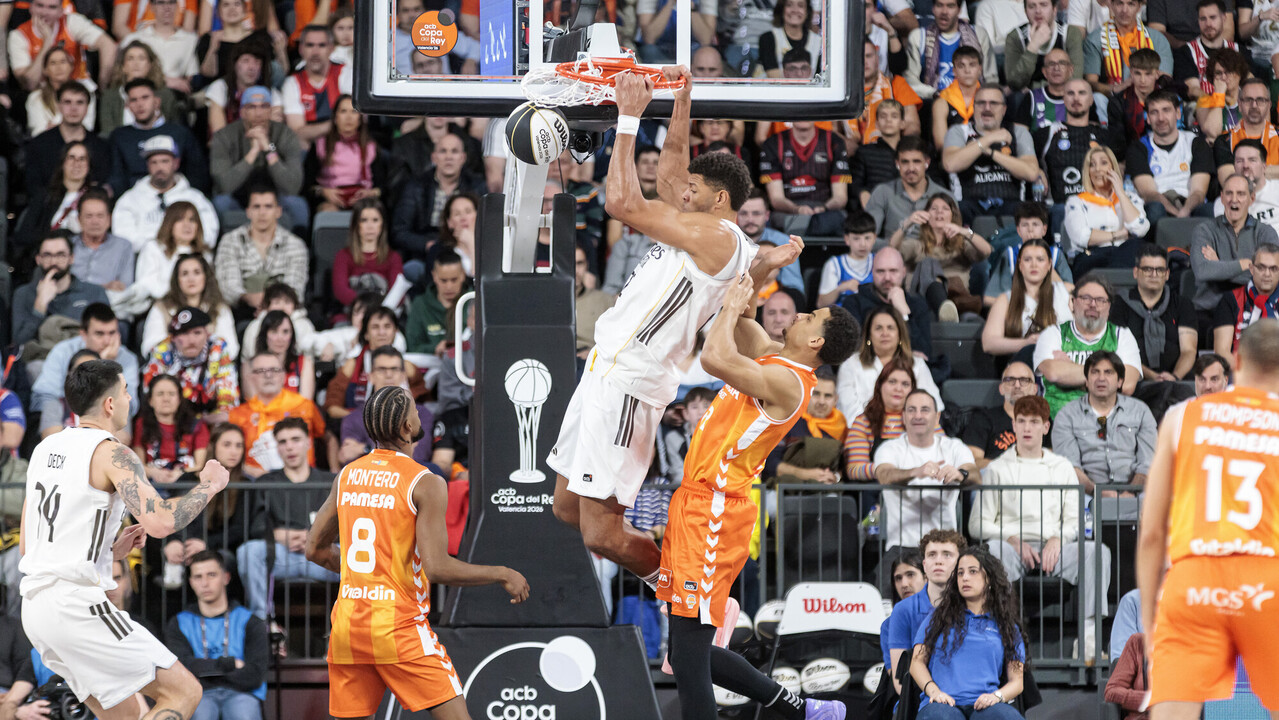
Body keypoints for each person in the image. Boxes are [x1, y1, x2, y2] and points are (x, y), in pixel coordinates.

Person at [549, 68, 797, 601]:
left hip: (632, 383)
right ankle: (685, 588)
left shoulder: (716, 236)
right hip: (606, 368)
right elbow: (673, 167)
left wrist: (629, 118)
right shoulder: (703, 222)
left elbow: (621, 204)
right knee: (565, 509)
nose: (680, 189)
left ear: (719, 200)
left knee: (601, 531)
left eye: (694, 189)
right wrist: (681, 102)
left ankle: (692, 595)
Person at [660, 273, 856, 720]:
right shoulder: (774, 357)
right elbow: (749, 324)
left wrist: (728, 303)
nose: (800, 313)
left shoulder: (791, 383)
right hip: (694, 500)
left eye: (811, 316)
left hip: (715, 509)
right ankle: (802, 710)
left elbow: (714, 356)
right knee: (685, 652)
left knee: (689, 661)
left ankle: (800, 710)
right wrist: (753, 273)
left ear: (816, 342)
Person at [20, 358, 230, 719]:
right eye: (127, 391)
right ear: (110, 403)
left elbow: (30, 543)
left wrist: (107, 549)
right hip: (76, 606)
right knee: (184, 693)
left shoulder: (44, 450)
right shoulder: (113, 452)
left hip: (36, 608)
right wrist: (209, 487)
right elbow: (162, 522)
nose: (132, 399)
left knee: (129, 715)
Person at [305, 384, 529, 719]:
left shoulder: (347, 475)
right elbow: (438, 568)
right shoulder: (425, 482)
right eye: (413, 407)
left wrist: (365, 573)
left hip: (348, 625)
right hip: (397, 625)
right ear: (408, 427)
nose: (418, 411)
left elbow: (313, 549)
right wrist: (502, 573)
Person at [1137, 319, 1279, 717]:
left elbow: (1151, 534)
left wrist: (1151, 626)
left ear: (1236, 359)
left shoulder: (1183, 416)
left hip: (1194, 578)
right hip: (1266, 577)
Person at [973, 394, 1111, 660]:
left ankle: (1089, 640)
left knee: (1097, 552)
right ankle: (1005, 637)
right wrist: (1012, 538)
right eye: (1021, 421)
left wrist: (1058, 539)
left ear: (1045, 427)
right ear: (1013, 425)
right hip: (1013, 548)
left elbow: (1075, 518)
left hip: (1055, 548)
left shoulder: (1061, 468)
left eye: (1034, 422)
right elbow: (978, 522)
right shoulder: (999, 468)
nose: (1027, 428)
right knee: (995, 552)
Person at [910, 547, 1027, 720]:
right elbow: (916, 663)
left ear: (989, 578)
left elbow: (1017, 681)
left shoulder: (1006, 625)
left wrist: (996, 697)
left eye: (973, 572)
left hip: (985, 704)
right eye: (960, 573)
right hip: (943, 703)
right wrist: (934, 692)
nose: (965, 578)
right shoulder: (938, 617)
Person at [236, 417, 334, 621]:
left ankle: (348, 625)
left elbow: (347, 525)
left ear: (308, 442)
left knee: (357, 556)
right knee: (249, 551)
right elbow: (254, 525)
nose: (289, 447)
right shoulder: (266, 482)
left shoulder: (331, 481)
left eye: (295, 439)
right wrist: (279, 535)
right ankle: (260, 621)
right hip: (281, 555)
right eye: (282, 442)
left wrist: (315, 537)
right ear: (277, 447)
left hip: (323, 556)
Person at [874, 390, 979, 565]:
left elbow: (975, 474)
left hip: (945, 547)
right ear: (904, 416)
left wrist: (961, 474)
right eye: (911, 410)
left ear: (937, 417)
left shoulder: (954, 447)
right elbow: (884, 475)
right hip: (901, 546)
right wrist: (915, 472)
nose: (918, 416)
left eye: (924, 410)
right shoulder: (890, 448)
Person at [162, 549, 268, 720]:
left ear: (225, 578)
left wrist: (205, 670)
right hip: (198, 693)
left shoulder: (250, 621)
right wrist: (231, 663)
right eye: (198, 577)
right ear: (190, 582)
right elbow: (182, 670)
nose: (205, 583)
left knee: (244, 715)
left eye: (211, 575)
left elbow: (255, 675)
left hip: (241, 693)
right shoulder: (179, 623)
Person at [1033, 275, 1144, 417]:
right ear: (1072, 302)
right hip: (1057, 424)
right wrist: (1108, 375)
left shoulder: (1122, 336)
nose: (1093, 304)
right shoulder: (1053, 333)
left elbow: (1127, 385)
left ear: (1109, 307)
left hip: (1107, 427)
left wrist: (1070, 368)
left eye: (1100, 300)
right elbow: (1054, 373)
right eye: (1086, 298)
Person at [1052, 351, 1158, 493]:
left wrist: (1130, 494)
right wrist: (1097, 494)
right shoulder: (1067, 415)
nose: (1101, 378)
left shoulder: (1140, 411)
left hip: (1136, 491)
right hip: (1086, 493)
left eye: (1108, 372)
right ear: (1087, 381)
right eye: (1095, 372)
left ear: (1120, 381)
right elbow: (1070, 468)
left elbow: (1147, 464)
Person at [32, 303, 141, 439]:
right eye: (99, 334)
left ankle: (107, 452)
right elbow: (47, 394)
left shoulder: (127, 358)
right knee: (51, 404)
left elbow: (130, 404)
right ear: (83, 334)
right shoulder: (63, 351)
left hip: (108, 410)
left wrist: (106, 366)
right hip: (65, 409)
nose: (107, 341)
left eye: (112, 333)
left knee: (122, 404)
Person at [208, 84, 308, 232]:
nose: (259, 113)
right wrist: (253, 152)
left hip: (275, 198)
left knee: (297, 205)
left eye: (264, 106)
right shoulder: (224, 136)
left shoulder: (286, 135)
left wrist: (268, 148)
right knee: (220, 203)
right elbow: (225, 185)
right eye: (252, 107)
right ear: (242, 112)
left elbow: (292, 186)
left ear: (271, 110)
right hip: (238, 196)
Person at [941, 89, 1040, 223]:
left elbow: (1031, 173)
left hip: (1012, 204)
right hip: (969, 205)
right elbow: (950, 164)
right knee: (959, 209)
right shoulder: (959, 131)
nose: (987, 108)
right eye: (981, 103)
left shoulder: (1018, 132)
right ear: (974, 107)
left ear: (1004, 109)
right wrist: (989, 139)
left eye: (993, 103)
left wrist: (991, 153)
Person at [884, 530, 966, 692]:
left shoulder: (973, 605)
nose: (938, 561)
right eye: (932, 555)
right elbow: (900, 682)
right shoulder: (903, 610)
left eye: (947, 555)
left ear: (960, 564)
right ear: (924, 564)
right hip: (918, 702)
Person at [112, 134, 220, 254]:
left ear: (176, 163)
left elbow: (208, 237)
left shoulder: (195, 198)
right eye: (154, 162)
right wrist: (165, 242)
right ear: (147, 166)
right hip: (145, 262)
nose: (159, 168)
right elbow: (124, 241)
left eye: (165, 161)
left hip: (187, 258)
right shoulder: (129, 200)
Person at [1191, 174, 1279, 321]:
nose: (1234, 199)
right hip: (1210, 310)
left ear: (1252, 199)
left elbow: (1271, 276)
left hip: (1253, 310)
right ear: (1222, 198)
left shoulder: (1265, 232)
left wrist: (1219, 265)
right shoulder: (1204, 230)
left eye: (1241, 194)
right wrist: (1244, 264)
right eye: (1229, 193)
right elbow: (1202, 271)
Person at [391, 131, 486, 264]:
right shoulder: (415, 185)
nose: (449, 157)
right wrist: (427, 245)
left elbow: (488, 228)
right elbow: (400, 231)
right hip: (426, 253)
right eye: (443, 151)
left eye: (454, 151)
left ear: (463, 158)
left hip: (468, 249)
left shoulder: (477, 186)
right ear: (434, 157)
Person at [213, 184, 309, 315]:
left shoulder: (295, 245)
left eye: (268, 206)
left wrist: (272, 304)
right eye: (256, 207)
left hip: (285, 311)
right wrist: (247, 297)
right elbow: (228, 286)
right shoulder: (230, 241)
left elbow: (295, 287)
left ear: (278, 211)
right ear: (248, 211)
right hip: (242, 310)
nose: (262, 213)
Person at [893, 193, 992, 319]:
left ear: (953, 215)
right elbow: (891, 252)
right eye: (934, 209)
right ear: (926, 215)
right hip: (922, 302)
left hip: (957, 302)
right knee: (928, 261)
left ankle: (946, 311)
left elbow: (986, 251)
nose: (939, 212)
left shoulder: (961, 245)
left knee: (972, 320)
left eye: (945, 209)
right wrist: (907, 223)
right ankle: (943, 308)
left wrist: (965, 232)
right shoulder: (917, 245)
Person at [845, 359, 945, 482]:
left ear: (912, 390)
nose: (898, 388)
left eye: (905, 384)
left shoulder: (925, 420)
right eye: (892, 382)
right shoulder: (863, 422)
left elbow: (945, 457)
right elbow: (854, 469)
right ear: (880, 385)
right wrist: (892, 470)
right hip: (878, 492)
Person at [838, 306, 944, 421]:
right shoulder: (850, 365)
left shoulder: (917, 365)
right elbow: (847, 410)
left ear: (900, 334)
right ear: (869, 335)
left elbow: (933, 406)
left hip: (909, 432)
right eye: (878, 328)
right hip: (863, 433)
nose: (885, 333)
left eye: (890, 328)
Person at [1110, 245, 1198, 381]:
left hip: (1176, 380)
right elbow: (1118, 350)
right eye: (1147, 269)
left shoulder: (1182, 304)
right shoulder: (1119, 304)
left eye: (1160, 270)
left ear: (1167, 274)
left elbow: (1189, 350)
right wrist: (1153, 377)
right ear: (1135, 272)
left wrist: (1174, 377)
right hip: (1133, 380)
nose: (1154, 274)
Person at [107, 79, 209, 195]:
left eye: (145, 97)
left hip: (177, 196)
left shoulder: (180, 133)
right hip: (134, 200)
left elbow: (198, 174)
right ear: (128, 105)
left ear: (157, 101)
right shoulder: (119, 136)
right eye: (133, 100)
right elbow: (116, 177)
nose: (139, 104)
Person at [1128, 91, 1214, 226]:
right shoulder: (1138, 148)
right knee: (1154, 210)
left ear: (1178, 114)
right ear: (1148, 118)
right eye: (1154, 112)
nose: (1161, 118)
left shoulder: (1195, 143)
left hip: (1190, 203)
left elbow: (1198, 192)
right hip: (1159, 206)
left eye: (1166, 110)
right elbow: (1148, 193)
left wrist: (1185, 211)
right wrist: (1175, 213)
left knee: (1210, 210)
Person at [756, 113, 850, 237]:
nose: (804, 115)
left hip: (825, 209)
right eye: (799, 110)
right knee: (777, 221)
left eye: (809, 111)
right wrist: (797, 209)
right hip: (789, 211)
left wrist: (823, 208)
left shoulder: (834, 141)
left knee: (838, 218)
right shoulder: (773, 143)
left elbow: (840, 197)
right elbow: (776, 199)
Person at [228, 353, 324, 474]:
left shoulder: (304, 406)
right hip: (254, 485)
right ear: (251, 377)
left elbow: (323, 436)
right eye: (261, 371)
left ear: (284, 375)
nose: (268, 375)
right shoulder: (237, 414)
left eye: (274, 370)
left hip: (302, 484)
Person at [143, 306, 241, 425]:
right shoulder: (161, 353)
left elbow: (228, 403)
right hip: (172, 422)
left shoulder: (219, 350)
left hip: (212, 421)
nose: (191, 340)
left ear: (207, 334)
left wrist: (204, 422)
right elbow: (152, 397)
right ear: (172, 338)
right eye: (184, 334)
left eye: (197, 333)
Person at [11, 233, 109, 349]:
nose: (54, 262)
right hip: (39, 359)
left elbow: (107, 336)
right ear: (38, 259)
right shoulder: (23, 294)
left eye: (60, 255)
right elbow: (19, 344)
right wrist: (40, 305)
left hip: (84, 356)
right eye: (47, 255)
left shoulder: (94, 292)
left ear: (71, 258)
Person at [1063, 146, 1150, 275]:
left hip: (1126, 254)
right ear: (1088, 172)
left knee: (1136, 246)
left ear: (1113, 168)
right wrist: (1118, 234)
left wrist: (1120, 193)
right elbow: (1081, 236)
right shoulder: (1076, 202)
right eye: (1092, 165)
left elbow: (1140, 228)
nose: (1097, 169)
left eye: (1103, 163)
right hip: (1093, 256)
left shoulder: (1130, 197)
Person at [24, 82, 110, 214]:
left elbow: (102, 184)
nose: (73, 108)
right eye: (67, 102)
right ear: (59, 105)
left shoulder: (101, 146)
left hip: (90, 211)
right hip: (46, 210)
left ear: (88, 107)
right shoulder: (39, 144)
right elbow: (33, 186)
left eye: (80, 103)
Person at [983, 239, 1072, 361]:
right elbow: (989, 343)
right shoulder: (1005, 299)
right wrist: (1025, 343)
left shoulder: (1065, 291)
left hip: (1061, 364)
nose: (1034, 265)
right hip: (1022, 366)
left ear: (1049, 265)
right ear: (1020, 265)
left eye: (1040, 259)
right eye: (1027, 259)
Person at [839, 247, 935, 360]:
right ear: (872, 272)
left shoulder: (917, 304)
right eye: (880, 271)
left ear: (903, 272)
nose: (887, 278)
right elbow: (853, 350)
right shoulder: (854, 303)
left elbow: (923, 352)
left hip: (905, 373)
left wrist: (904, 314)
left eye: (893, 271)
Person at [142, 253, 238, 358]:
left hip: (210, 368)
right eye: (184, 274)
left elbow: (231, 348)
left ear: (205, 276)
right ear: (177, 279)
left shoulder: (220, 308)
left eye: (197, 272)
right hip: (171, 369)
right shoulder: (161, 307)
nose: (191, 279)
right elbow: (149, 346)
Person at [8, 0, 116, 93]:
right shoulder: (19, 35)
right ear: (31, 7)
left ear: (61, 11)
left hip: (78, 87)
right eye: (40, 5)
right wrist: (46, 44)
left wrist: (103, 87)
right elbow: (29, 84)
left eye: (52, 7)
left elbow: (108, 46)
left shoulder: (72, 22)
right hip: (43, 93)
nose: (45, 12)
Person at [304, 94, 384, 212]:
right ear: (335, 117)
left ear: (361, 118)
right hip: (330, 200)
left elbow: (382, 186)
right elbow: (306, 185)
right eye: (343, 111)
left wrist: (370, 193)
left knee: (368, 212)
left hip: (363, 201)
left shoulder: (371, 146)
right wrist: (324, 192)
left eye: (353, 112)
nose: (348, 117)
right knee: (328, 212)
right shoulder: (320, 145)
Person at [904, 0, 997, 99]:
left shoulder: (979, 34)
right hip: (933, 100)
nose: (944, 11)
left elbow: (991, 78)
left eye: (950, 6)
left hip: (973, 101)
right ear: (933, 8)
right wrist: (937, 94)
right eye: (939, 5)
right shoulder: (918, 37)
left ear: (959, 10)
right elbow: (910, 81)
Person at [866, 137, 954, 239]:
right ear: (897, 164)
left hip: (932, 253)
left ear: (927, 163)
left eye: (916, 162)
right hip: (894, 253)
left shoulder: (946, 196)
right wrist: (891, 247)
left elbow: (954, 239)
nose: (911, 168)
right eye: (905, 162)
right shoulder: (882, 192)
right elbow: (868, 236)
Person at [132, 373, 210, 487]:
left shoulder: (197, 425)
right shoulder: (141, 424)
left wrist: (180, 473)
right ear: (150, 400)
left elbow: (200, 465)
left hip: (186, 485)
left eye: (171, 394)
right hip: (152, 484)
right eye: (160, 394)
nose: (166, 399)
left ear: (179, 399)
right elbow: (138, 464)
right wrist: (154, 472)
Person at [281, 24, 352, 148]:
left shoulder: (346, 73)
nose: (315, 52)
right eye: (310, 45)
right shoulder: (292, 83)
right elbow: (297, 132)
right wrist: (337, 123)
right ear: (301, 49)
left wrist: (313, 130)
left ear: (331, 48)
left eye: (321, 45)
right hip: (310, 150)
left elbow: (355, 122)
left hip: (345, 143)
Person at [1083, 0, 1173, 94]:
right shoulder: (1095, 39)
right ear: (1111, 5)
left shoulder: (1157, 38)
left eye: (1131, 4)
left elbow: (1165, 80)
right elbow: (1091, 82)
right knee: (1098, 98)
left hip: (1150, 97)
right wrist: (1114, 89)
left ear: (1139, 7)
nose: (1124, 10)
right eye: (1119, 3)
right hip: (1112, 98)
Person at [962, 362, 1040, 468]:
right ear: (1001, 388)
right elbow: (971, 464)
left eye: (1024, 380)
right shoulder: (982, 419)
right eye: (1010, 380)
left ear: (1035, 389)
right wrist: (1010, 465)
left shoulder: (1045, 421)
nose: (1017, 385)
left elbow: (1056, 461)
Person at [98, 42, 181, 138]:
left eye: (141, 58)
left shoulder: (165, 95)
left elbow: (175, 130)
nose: (136, 63)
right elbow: (107, 132)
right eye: (130, 58)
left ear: (150, 65)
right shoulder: (110, 96)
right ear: (123, 66)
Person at [1213, 243, 1279, 362]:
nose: (1267, 274)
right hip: (1241, 373)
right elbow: (1221, 352)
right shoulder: (1231, 298)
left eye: (1273, 268)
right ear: (1251, 269)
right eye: (1261, 267)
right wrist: (1249, 373)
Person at [333, 198, 402, 310]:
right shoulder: (343, 256)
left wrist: (377, 310)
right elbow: (341, 291)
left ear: (382, 224)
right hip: (351, 314)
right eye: (364, 220)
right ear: (356, 225)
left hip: (384, 315)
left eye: (375, 220)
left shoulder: (393, 258)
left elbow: (397, 294)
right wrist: (367, 306)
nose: (370, 226)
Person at [120, 0, 199, 94]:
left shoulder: (190, 40)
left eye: (171, 2)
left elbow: (191, 77)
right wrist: (164, 81)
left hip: (175, 97)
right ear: (152, 7)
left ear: (177, 6)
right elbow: (123, 74)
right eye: (161, 3)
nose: (167, 7)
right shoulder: (133, 39)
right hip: (140, 93)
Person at [1005, 0, 1085, 91]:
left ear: (1054, 9)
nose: (1038, 11)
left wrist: (1036, 88)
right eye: (1031, 6)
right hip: (1028, 98)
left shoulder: (1070, 33)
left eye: (1043, 5)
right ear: (1025, 11)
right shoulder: (1016, 37)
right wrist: (1033, 46)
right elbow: (1014, 82)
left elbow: (1075, 78)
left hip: (1064, 95)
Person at [204, 40, 281, 135]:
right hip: (227, 145)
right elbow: (219, 132)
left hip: (263, 144)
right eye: (246, 61)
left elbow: (275, 131)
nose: (252, 67)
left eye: (257, 62)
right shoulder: (220, 88)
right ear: (234, 64)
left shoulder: (271, 93)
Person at [1211, 79, 1279, 183]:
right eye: (1248, 100)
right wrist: (1271, 171)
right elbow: (1229, 180)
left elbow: (1237, 175)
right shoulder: (1224, 141)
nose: (1254, 106)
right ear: (1239, 105)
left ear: (1269, 105)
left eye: (1260, 100)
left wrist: (1245, 172)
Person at [855, 39, 923, 144]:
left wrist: (901, 148)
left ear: (877, 59)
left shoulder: (896, 83)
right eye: (859, 57)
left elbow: (912, 125)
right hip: (853, 153)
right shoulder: (841, 93)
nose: (865, 62)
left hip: (890, 150)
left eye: (868, 56)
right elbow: (832, 130)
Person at [406, 250, 470, 357]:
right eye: (443, 280)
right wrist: (434, 348)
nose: (449, 286)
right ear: (434, 276)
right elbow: (412, 346)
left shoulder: (473, 302)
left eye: (454, 280)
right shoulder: (420, 304)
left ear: (463, 275)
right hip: (430, 365)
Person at [70, 188, 134, 293]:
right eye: (89, 216)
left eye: (100, 216)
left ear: (109, 219)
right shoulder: (68, 245)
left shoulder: (123, 247)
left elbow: (124, 288)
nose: (95, 222)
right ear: (79, 219)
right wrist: (104, 287)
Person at [1103, 48, 1166, 151]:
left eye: (1148, 74)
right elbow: (1117, 143)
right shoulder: (1118, 102)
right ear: (1131, 73)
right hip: (1131, 156)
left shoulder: (1169, 100)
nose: (1142, 80)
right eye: (1138, 73)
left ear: (1157, 74)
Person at [25, 47, 97, 136]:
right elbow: (38, 132)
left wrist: (55, 128)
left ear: (71, 66)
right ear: (45, 70)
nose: (59, 67)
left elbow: (88, 126)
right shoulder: (35, 97)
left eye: (63, 62)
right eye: (53, 63)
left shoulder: (85, 94)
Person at [851, 101, 910, 210]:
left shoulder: (913, 152)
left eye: (894, 116)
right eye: (883, 116)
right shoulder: (864, 152)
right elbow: (854, 183)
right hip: (876, 208)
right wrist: (862, 192)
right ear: (877, 124)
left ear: (902, 123)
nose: (888, 120)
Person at [247, 310, 315, 400]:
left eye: (285, 332)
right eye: (274, 331)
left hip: (296, 413)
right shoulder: (250, 365)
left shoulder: (304, 362)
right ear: (265, 334)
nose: (280, 338)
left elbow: (306, 403)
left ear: (292, 335)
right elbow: (254, 402)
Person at [929, 46, 983, 152]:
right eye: (961, 66)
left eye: (972, 65)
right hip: (952, 157)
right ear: (954, 71)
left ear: (980, 69)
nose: (967, 70)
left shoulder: (988, 99)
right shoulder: (942, 101)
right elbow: (941, 144)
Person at [817, 212, 877, 307]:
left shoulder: (880, 261)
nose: (863, 244)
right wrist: (840, 288)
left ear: (874, 238)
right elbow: (821, 304)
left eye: (867, 238)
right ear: (847, 239)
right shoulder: (834, 264)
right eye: (856, 239)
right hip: (842, 318)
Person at [1215, 141, 1279, 228]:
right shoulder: (1224, 202)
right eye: (1239, 161)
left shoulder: (1276, 189)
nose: (1245, 166)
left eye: (1252, 160)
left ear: (1264, 167)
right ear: (1234, 167)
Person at [1194, 49, 1250, 144]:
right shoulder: (1204, 101)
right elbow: (1213, 132)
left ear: (1239, 73)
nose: (1223, 77)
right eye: (1218, 73)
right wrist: (1219, 94)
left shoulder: (1251, 100)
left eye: (1228, 72)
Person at [755, 0, 823, 78]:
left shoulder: (818, 42)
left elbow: (819, 79)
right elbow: (774, 78)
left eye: (800, 6)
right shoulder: (767, 39)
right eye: (789, 5)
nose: (795, 10)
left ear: (807, 12)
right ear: (781, 9)